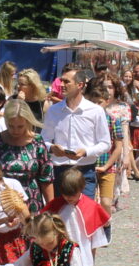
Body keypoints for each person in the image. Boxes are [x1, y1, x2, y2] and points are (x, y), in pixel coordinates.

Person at [44, 69, 111, 198]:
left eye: (66, 82)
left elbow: (105, 143)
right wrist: (52, 148)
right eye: (61, 81)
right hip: (60, 171)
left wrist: (86, 151)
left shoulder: (95, 111)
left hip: (85, 170)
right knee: (60, 210)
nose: (61, 85)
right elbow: (43, 140)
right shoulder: (53, 111)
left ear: (80, 85)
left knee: (85, 209)